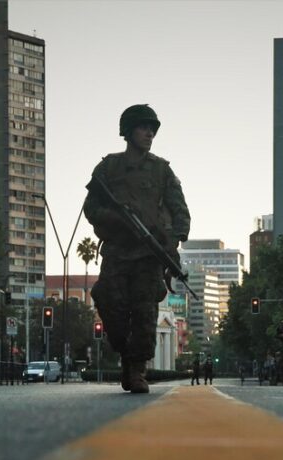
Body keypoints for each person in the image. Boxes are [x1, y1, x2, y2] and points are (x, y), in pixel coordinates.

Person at [83, 104, 191, 394]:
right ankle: (126, 356)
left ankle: (137, 369)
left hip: (148, 255)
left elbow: (180, 210)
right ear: (128, 131)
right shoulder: (108, 167)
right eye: (144, 128)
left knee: (144, 314)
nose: (149, 133)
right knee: (111, 307)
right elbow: (91, 208)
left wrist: (173, 241)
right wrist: (116, 218)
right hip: (117, 251)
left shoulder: (162, 170)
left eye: (152, 129)